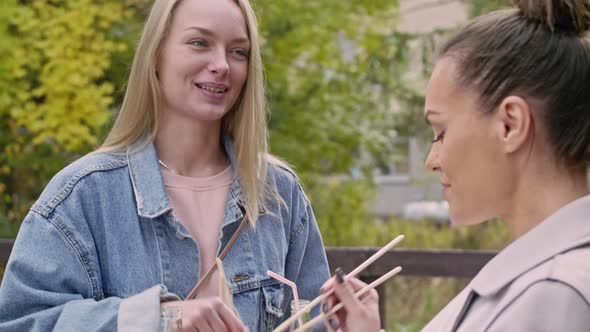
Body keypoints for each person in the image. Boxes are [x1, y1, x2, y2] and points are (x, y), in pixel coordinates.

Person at [0, 0, 330, 331]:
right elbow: (21, 322)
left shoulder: (278, 192)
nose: (222, 65)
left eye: (238, 52)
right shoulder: (82, 196)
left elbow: (314, 321)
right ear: (156, 54)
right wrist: (158, 319)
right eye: (200, 43)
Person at [321, 0, 590, 331]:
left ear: (510, 124)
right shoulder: (544, 279)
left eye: (441, 132)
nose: (431, 161)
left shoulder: (554, 295)